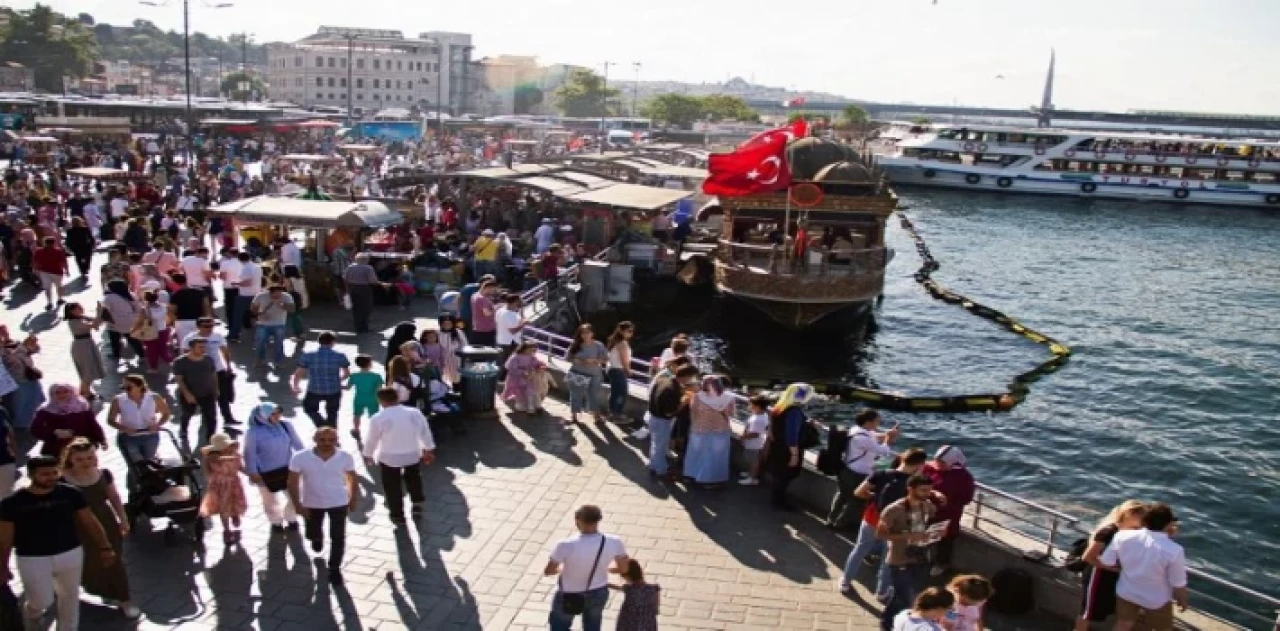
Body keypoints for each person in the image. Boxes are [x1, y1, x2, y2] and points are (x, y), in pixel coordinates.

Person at [0, 455, 116, 631]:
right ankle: (33, 613)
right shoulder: (12, 503)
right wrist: (2, 565)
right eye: (45, 474)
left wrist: (105, 547)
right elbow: (5, 537)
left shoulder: (71, 493)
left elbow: (89, 521)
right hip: (31, 557)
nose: (51, 477)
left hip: (70, 552)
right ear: (31, 475)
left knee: (70, 596)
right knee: (41, 600)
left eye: (55, 472)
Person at [58, 439, 140, 620]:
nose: (86, 462)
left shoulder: (104, 474)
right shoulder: (62, 480)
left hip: (106, 522)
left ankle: (125, 599)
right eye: (80, 459)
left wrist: (123, 520)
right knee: (87, 561)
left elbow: (114, 497)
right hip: (77, 527)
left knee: (115, 561)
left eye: (90, 457)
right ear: (70, 459)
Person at [841, 448, 931, 597]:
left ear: (902, 458)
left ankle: (845, 582)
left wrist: (874, 496)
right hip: (895, 525)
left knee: (860, 550)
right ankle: (882, 592)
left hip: (872, 518)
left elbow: (858, 492)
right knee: (887, 558)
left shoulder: (881, 474)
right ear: (920, 464)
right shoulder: (914, 484)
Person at [1098, 503, 1188, 631]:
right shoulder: (1174, 550)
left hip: (1126, 592)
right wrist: (1182, 601)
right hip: (1156, 600)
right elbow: (1178, 583)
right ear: (1168, 524)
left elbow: (1107, 561)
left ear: (1144, 521)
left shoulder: (1122, 536)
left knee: (1123, 625)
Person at [287, 426, 358, 585]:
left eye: (331, 440)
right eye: (322, 440)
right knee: (313, 531)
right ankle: (316, 537)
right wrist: (297, 504)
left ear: (336, 440)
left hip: (338, 502)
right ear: (315, 440)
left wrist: (352, 499)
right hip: (312, 502)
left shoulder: (345, 457)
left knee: (338, 537)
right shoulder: (300, 457)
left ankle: (334, 569)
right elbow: (292, 482)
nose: (327, 443)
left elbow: (351, 478)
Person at [544, 504, 630, 631]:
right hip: (598, 592)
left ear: (577, 520)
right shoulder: (614, 541)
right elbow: (624, 569)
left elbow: (548, 571)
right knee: (592, 626)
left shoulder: (565, 544)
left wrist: (561, 569)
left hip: (569, 594)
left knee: (559, 627)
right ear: (598, 520)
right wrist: (604, 567)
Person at [362, 387, 436, 525]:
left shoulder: (378, 418)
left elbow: (372, 439)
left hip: (389, 457)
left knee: (392, 486)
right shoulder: (414, 413)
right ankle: (417, 504)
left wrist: (367, 454)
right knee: (414, 479)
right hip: (412, 454)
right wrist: (429, 448)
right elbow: (425, 431)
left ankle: (397, 515)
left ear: (380, 400)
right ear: (397, 397)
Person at [877, 474, 939, 630]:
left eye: (929, 490)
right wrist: (908, 535)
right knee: (907, 597)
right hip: (899, 559)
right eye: (923, 490)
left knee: (902, 595)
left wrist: (936, 533)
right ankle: (889, 624)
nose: (927, 494)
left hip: (920, 556)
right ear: (910, 489)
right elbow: (880, 534)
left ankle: (887, 622)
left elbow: (930, 519)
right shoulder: (893, 510)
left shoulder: (927, 505)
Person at [1074, 500, 1149, 631]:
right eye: (1141, 517)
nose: (1143, 522)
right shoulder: (1108, 532)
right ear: (1130, 514)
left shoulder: (1131, 531)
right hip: (1097, 576)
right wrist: (1115, 569)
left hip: (1112, 576)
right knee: (1087, 612)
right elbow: (1088, 557)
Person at [829, 409, 901, 530]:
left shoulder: (856, 430)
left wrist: (888, 434)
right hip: (857, 473)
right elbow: (884, 451)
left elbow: (875, 437)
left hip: (847, 469)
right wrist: (889, 438)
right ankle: (840, 524)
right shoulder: (862, 438)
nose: (878, 423)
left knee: (842, 496)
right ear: (868, 422)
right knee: (856, 501)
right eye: (877, 421)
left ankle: (831, 519)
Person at [242, 403, 303, 534]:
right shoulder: (253, 432)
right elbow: (249, 453)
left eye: (278, 413)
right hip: (265, 473)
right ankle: (275, 521)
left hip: (288, 469)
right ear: (264, 416)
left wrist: (307, 460)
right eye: (273, 414)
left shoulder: (286, 425)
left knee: (297, 496)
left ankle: (291, 517)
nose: (277, 416)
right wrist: (252, 472)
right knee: (270, 500)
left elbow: (298, 444)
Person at [106, 375, 170, 486]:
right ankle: (136, 487)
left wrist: (158, 424)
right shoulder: (119, 400)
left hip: (150, 436)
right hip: (129, 438)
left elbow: (166, 413)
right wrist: (124, 428)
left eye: (129, 388)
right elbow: (110, 420)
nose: (126, 391)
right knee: (136, 466)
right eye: (124, 388)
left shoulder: (154, 397)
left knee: (150, 462)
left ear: (140, 386)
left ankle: (150, 485)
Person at [923, 445, 975, 576]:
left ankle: (941, 563)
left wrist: (948, 502)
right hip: (925, 510)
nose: (938, 464)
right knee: (922, 535)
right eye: (937, 461)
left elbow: (967, 498)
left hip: (948, 514)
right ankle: (922, 557)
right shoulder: (929, 468)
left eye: (942, 462)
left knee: (945, 540)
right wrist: (932, 493)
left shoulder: (964, 477)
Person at [768, 383, 817, 511]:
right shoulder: (794, 411)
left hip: (777, 447)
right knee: (786, 476)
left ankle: (776, 499)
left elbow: (772, 428)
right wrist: (794, 455)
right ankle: (779, 502)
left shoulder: (779, 407)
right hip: (788, 450)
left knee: (778, 475)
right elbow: (791, 435)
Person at [183, 317, 237, 429]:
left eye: (211, 326)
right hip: (200, 374)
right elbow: (185, 355)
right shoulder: (190, 339)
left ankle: (228, 418)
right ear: (198, 327)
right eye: (206, 326)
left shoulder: (218, 336)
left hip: (217, 369)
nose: (209, 328)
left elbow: (224, 351)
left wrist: (228, 366)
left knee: (223, 396)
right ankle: (204, 420)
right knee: (204, 397)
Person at [646, 365, 698, 480]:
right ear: (686, 377)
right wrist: (684, 402)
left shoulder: (663, 380)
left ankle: (653, 465)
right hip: (661, 421)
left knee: (655, 444)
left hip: (653, 417)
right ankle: (661, 471)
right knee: (660, 446)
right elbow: (669, 413)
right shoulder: (671, 390)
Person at [683, 375, 735, 488]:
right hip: (720, 430)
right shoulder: (729, 398)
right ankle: (711, 480)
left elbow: (693, 412)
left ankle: (693, 475)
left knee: (696, 453)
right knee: (716, 456)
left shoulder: (697, 397)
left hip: (699, 429)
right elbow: (731, 414)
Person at [292, 331, 350, 428]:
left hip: (314, 389)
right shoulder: (340, 356)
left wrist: (296, 386)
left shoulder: (308, 356)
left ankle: (321, 425)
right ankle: (332, 433)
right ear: (333, 342)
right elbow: (347, 373)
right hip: (334, 389)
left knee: (309, 408)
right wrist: (338, 380)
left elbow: (298, 373)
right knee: (332, 413)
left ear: (319, 341)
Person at [31, 384, 105, 458]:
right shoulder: (46, 410)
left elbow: (92, 424)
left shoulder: (82, 406)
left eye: (66, 391)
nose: (62, 395)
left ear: (72, 392)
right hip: (56, 449)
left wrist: (101, 439)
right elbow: (36, 429)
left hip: (81, 447)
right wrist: (55, 432)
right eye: (57, 392)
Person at [200, 432, 248, 546]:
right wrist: (212, 481)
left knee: (236, 502)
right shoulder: (210, 458)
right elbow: (207, 472)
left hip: (234, 483)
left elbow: (241, 468)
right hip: (220, 486)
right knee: (223, 507)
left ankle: (235, 515)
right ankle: (226, 530)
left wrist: (252, 474)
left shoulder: (236, 455)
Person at [172, 338, 219, 442]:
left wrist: (216, 390)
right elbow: (179, 380)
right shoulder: (180, 362)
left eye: (204, 347)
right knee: (187, 413)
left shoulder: (208, 359)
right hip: (189, 394)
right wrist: (187, 394)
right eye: (200, 347)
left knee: (211, 416)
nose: (203, 349)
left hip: (207, 393)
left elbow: (213, 375)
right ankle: (183, 429)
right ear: (191, 348)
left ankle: (211, 438)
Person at [61, 302, 107, 400]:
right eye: (78, 308)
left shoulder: (80, 318)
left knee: (89, 369)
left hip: (87, 343)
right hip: (82, 347)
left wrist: (100, 316)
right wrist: (99, 313)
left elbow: (95, 321)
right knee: (87, 371)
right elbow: (94, 325)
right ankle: (85, 393)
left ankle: (85, 391)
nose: (81, 309)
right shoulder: (74, 322)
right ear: (72, 311)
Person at [565, 324, 608, 425]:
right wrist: (580, 360)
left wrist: (595, 360)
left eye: (588, 332)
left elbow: (605, 359)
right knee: (575, 395)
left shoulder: (599, 345)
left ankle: (596, 416)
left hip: (595, 374)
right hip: (577, 373)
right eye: (583, 332)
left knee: (593, 395)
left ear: (592, 333)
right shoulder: (575, 344)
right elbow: (567, 358)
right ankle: (574, 416)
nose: (585, 335)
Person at [250, 284, 294, 367]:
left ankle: (279, 361)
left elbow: (292, 309)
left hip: (279, 323)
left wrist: (281, 304)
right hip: (263, 324)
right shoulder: (261, 296)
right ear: (270, 292)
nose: (278, 295)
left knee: (279, 343)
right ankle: (260, 360)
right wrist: (259, 314)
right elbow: (253, 308)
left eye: (280, 292)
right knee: (260, 343)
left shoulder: (286, 296)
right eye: (276, 293)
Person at [610, 559, 660, 631]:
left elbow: (617, 586)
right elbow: (656, 609)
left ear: (628, 577)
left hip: (628, 624)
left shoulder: (629, 589)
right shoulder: (654, 589)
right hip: (647, 624)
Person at [101, 280, 144, 362]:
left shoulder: (109, 298)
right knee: (133, 340)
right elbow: (138, 309)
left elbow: (105, 312)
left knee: (114, 339)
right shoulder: (131, 295)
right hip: (131, 321)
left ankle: (116, 354)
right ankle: (142, 356)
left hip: (115, 323)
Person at [167, 273, 211, 350]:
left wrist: (174, 323)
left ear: (175, 283)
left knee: (184, 344)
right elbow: (206, 307)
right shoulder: (200, 292)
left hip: (182, 322)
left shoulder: (175, 295)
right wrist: (208, 320)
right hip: (199, 321)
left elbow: (171, 311)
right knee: (200, 343)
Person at [129, 290, 170, 373]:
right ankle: (170, 362)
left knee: (151, 350)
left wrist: (133, 330)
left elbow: (140, 322)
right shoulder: (164, 307)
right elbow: (168, 318)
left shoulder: (145, 310)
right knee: (163, 349)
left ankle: (154, 368)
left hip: (150, 332)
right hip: (163, 330)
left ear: (146, 299)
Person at [501, 342, 547, 414]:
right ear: (524, 349)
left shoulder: (532, 357)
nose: (532, 352)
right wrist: (522, 372)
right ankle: (520, 404)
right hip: (516, 378)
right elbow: (511, 368)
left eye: (534, 350)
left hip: (528, 377)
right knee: (519, 392)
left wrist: (540, 365)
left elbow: (536, 363)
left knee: (530, 391)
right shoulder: (515, 357)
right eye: (530, 350)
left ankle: (531, 406)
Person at [346, 355, 384, 439]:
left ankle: (356, 430)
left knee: (357, 415)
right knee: (374, 416)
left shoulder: (354, 376)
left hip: (359, 399)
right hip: (373, 399)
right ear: (370, 364)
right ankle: (375, 431)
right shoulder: (377, 376)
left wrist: (338, 385)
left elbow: (348, 388)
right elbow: (379, 390)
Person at [343, 253, 382, 333]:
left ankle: (357, 326)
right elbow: (372, 281)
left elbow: (345, 278)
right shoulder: (368, 268)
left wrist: (347, 289)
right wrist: (380, 283)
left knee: (356, 308)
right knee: (366, 308)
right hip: (364, 289)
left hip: (353, 288)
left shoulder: (350, 267)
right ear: (366, 260)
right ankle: (364, 326)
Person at [604, 322, 634, 422]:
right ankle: (617, 414)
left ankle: (612, 412)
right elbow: (624, 359)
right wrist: (627, 370)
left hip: (612, 369)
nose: (631, 333)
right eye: (629, 331)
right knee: (622, 393)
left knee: (614, 392)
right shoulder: (622, 343)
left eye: (632, 331)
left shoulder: (614, 341)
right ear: (621, 331)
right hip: (618, 370)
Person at [738, 395, 770, 486]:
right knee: (751, 460)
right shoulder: (761, 415)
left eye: (751, 405)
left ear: (758, 407)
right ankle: (750, 473)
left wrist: (743, 437)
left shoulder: (758, 420)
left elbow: (755, 434)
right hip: (754, 444)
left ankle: (752, 478)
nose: (749, 406)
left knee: (753, 462)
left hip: (754, 444)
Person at [32, 236, 68, 309]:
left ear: (44, 243)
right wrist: (67, 270)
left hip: (44, 271)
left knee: (47, 288)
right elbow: (63, 262)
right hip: (57, 271)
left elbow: (35, 262)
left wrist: (35, 269)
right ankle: (60, 299)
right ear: (54, 243)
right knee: (59, 286)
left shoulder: (39, 251)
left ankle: (49, 302)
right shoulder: (59, 251)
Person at [468, 280, 498, 347]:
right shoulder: (482, 298)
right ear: (488, 288)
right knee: (487, 352)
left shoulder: (474, 295)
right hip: (486, 330)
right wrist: (496, 308)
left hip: (478, 328)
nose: (493, 292)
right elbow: (486, 313)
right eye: (493, 290)